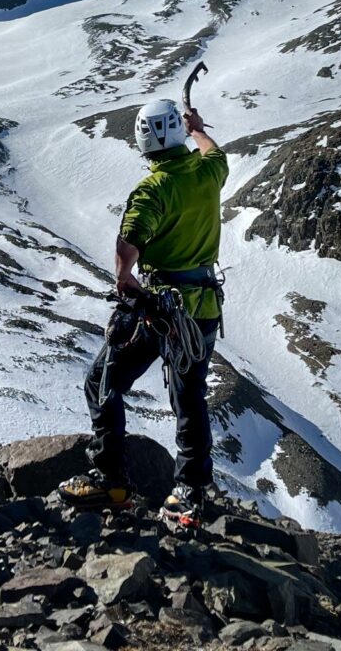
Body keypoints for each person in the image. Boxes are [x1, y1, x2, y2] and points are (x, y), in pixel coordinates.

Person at [58, 98, 229, 526]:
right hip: (202, 308)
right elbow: (213, 151)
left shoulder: (154, 189)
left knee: (104, 379)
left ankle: (111, 480)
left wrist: (125, 283)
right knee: (189, 397)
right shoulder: (210, 173)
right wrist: (196, 128)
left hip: (160, 309)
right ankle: (191, 491)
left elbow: (127, 248)